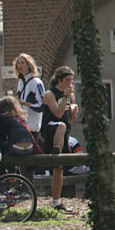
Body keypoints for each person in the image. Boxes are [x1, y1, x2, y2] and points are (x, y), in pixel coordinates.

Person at [40, 66, 78, 212]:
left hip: (63, 133)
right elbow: (57, 113)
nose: (70, 83)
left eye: (71, 80)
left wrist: (73, 111)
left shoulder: (70, 95)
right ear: (60, 80)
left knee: (59, 169)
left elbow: (70, 120)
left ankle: (56, 201)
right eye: (67, 80)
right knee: (60, 125)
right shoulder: (50, 94)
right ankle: (56, 151)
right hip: (50, 129)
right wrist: (66, 98)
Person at [14, 53, 46, 145]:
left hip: (33, 127)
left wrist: (26, 103)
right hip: (23, 126)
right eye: (18, 63)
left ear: (29, 65)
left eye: (23, 63)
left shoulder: (36, 83)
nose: (20, 66)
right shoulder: (20, 83)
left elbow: (42, 106)